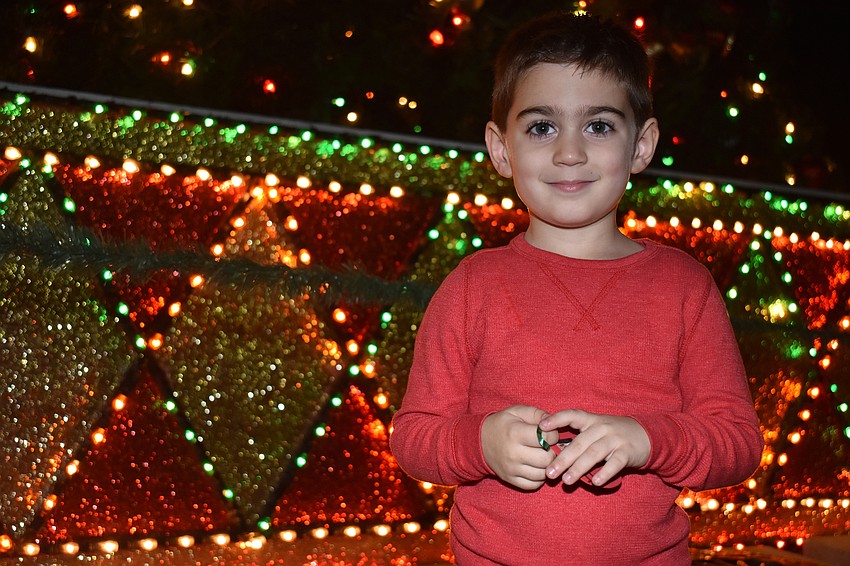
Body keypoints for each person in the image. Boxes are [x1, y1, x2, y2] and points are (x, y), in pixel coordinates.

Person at [389, 10, 763, 566]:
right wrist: (481, 443)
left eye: (599, 126)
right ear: (500, 149)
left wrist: (649, 440)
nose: (570, 152)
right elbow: (414, 437)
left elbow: (738, 442)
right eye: (542, 127)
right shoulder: (471, 287)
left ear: (641, 145)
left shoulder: (685, 287)